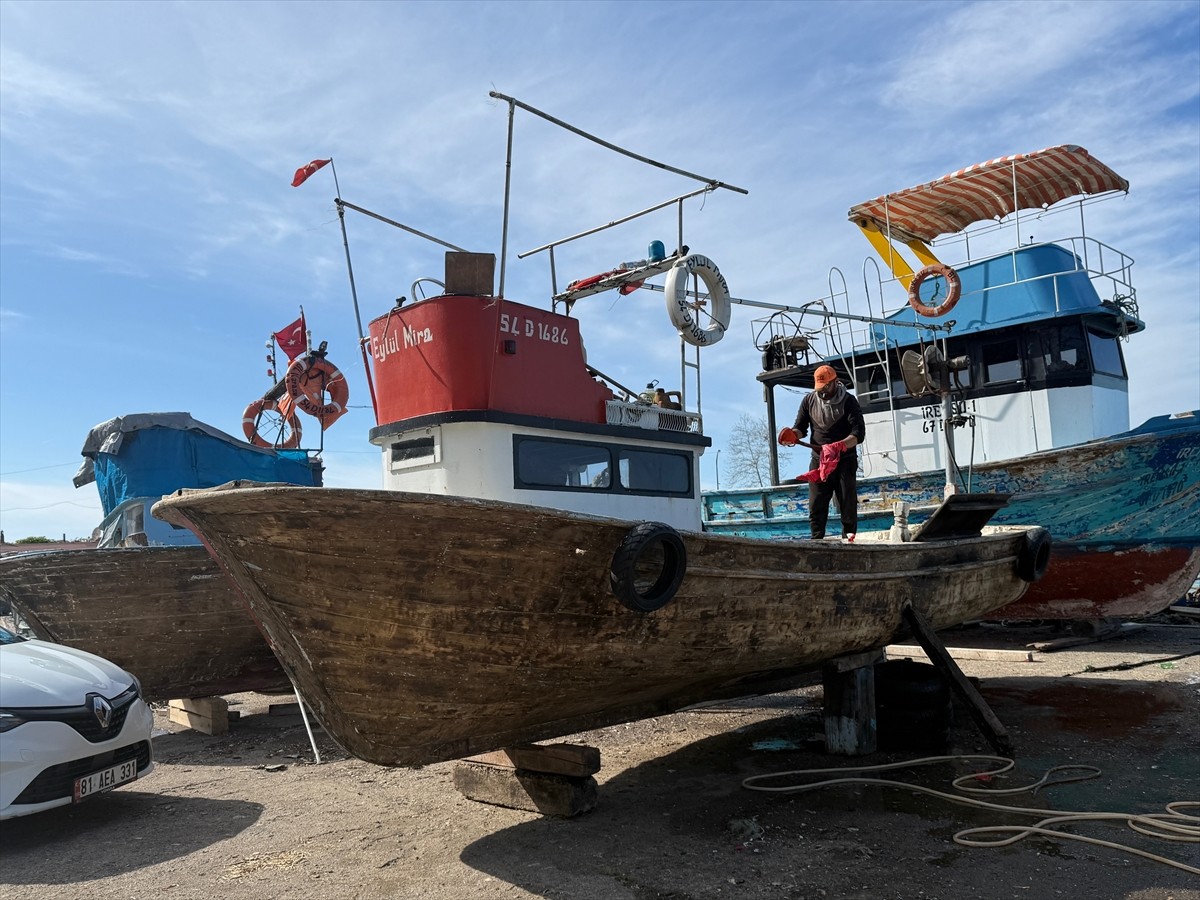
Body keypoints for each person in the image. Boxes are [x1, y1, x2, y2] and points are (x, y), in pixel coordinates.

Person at [781, 364, 865, 541]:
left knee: (847, 505)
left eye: (826, 386)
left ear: (835, 382)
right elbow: (800, 428)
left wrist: (839, 446)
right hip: (819, 461)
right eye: (820, 388)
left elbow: (859, 434)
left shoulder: (849, 401)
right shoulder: (809, 401)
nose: (823, 391)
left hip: (844, 460)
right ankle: (816, 542)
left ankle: (850, 542)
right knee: (816, 505)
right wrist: (792, 435)